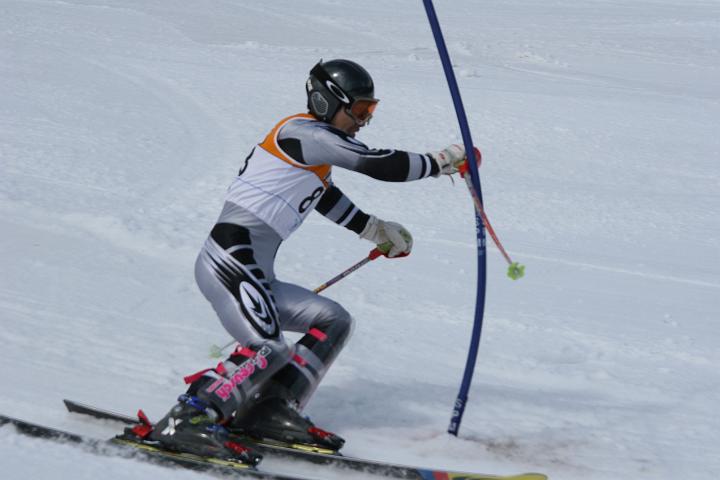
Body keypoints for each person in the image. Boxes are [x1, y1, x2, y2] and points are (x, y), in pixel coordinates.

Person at [128, 59, 466, 462]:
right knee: (267, 346)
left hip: (253, 269)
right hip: (229, 258)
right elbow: (377, 163)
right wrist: (442, 160)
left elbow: (323, 195)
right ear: (328, 101)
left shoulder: (313, 153)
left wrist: (373, 229)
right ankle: (189, 417)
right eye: (359, 110)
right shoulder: (304, 132)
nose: (363, 121)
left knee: (333, 320)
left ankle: (270, 408)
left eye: (370, 111)